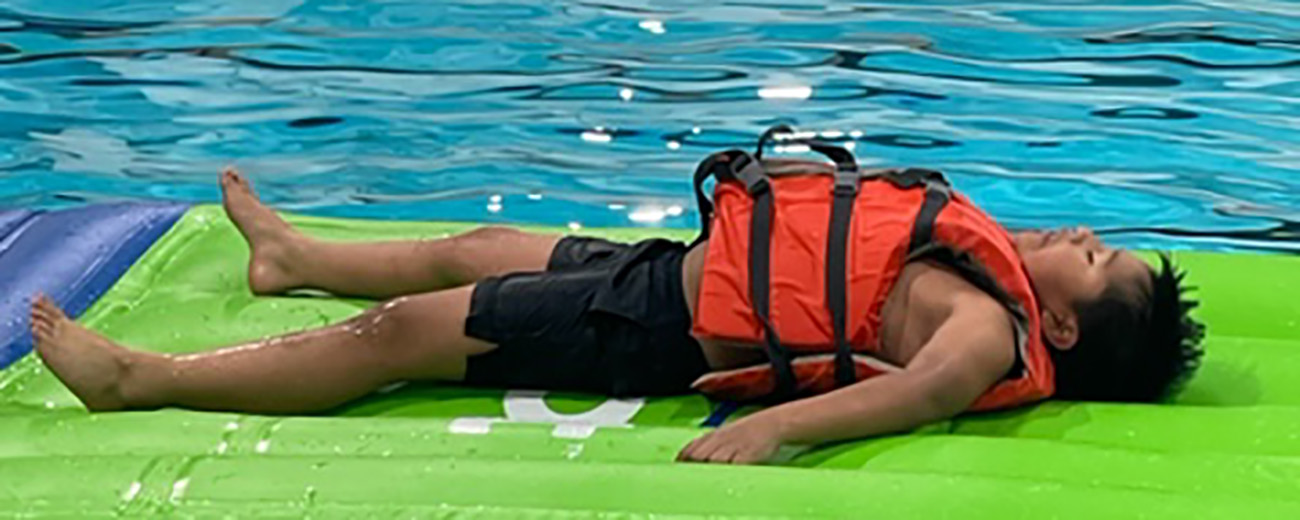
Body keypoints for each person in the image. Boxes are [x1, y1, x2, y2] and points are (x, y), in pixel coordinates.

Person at [29, 153, 1204, 465]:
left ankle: (142, 377)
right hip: (681, 264)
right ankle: (295, 253)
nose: (1080, 238)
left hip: (657, 327)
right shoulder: (987, 265)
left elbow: (923, 389)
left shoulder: (987, 328)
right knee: (480, 240)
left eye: (1096, 261)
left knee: (403, 339)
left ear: (1056, 330)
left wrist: (775, 427)